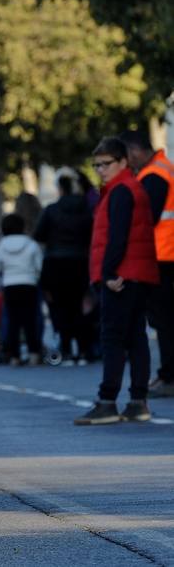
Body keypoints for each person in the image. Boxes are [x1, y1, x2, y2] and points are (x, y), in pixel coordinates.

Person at [75, 137, 159, 425]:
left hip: (121, 276)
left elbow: (118, 237)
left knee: (112, 338)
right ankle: (138, 402)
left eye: (106, 164)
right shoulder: (124, 189)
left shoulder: (121, 191)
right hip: (136, 273)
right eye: (96, 165)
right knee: (135, 338)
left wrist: (109, 274)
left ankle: (107, 401)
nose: (100, 170)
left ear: (123, 162)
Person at [119, 130, 174, 398]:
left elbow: (146, 216)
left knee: (163, 320)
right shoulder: (162, 168)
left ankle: (169, 375)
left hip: (162, 255)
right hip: (164, 252)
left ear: (134, 151)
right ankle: (167, 374)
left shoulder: (154, 175)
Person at [34, 174, 94, 364]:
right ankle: (84, 348)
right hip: (81, 262)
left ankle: (66, 347)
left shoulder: (52, 210)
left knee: (60, 307)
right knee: (80, 306)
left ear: (60, 189)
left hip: (56, 263)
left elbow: (39, 234)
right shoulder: (85, 210)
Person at [0, 214, 43, 365]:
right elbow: (39, 265)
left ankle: (14, 356)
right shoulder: (31, 243)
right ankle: (34, 353)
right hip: (29, 284)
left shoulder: (2, 244)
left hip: (10, 285)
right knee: (30, 321)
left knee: (13, 322)